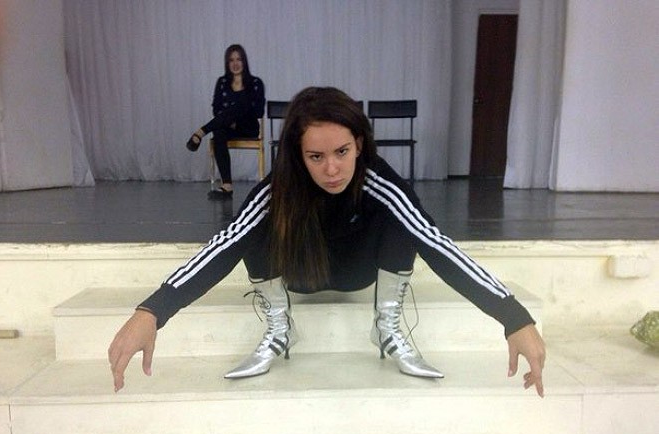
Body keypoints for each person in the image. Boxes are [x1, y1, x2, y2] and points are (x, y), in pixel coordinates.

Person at [110, 87, 546, 396]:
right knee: (249, 227)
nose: (332, 169)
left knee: (408, 220)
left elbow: (437, 244)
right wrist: (153, 311)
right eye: (316, 157)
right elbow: (223, 245)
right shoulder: (279, 188)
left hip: (359, 273)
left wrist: (514, 317)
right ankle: (280, 327)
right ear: (298, 155)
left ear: (359, 144)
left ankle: (387, 327)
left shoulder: (378, 180)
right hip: (300, 274)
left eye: (342, 152)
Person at [186, 44, 265, 197]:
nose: (235, 64)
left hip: (248, 127)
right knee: (218, 131)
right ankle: (227, 185)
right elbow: (216, 109)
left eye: (238, 59)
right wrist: (229, 120)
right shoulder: (222, 82)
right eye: (231, 60)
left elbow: (259, 111)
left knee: (242, 103)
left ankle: (200, 132)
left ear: (244, 61)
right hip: (227, 126)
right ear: (227, 63)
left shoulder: (255, 83)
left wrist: (236, 115)